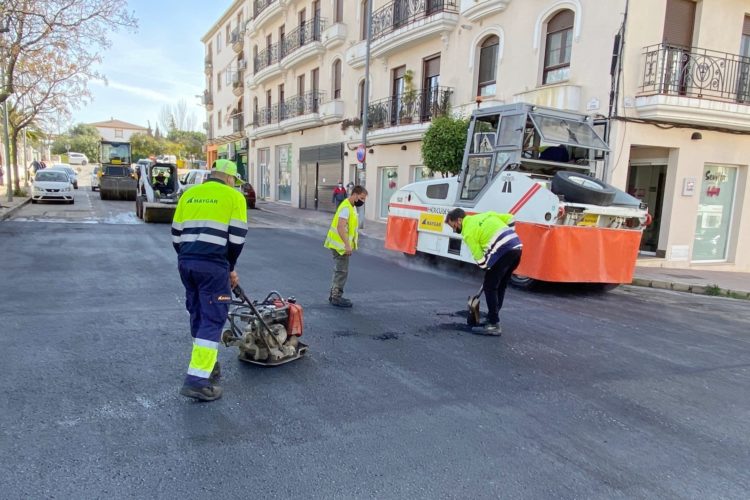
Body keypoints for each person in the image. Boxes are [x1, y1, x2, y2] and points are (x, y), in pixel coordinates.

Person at [171, 159, 248, 401]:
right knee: (213, 318)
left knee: (198, 313)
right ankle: (197, 380)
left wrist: (189, 258)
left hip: (186, 262)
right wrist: (229, 268)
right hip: (213, 266)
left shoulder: (189, 194)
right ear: (229, 178)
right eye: (234, 180)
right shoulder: (234, 197)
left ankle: (208, 364)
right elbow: (236, 239)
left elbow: (176, 234)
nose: (234, 184)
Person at [445, 208, 523, 336]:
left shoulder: (468, 232)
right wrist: (510, 237)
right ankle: (492, 317)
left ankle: (493, 324)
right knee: (500, 285)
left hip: (503, 252)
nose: (454, 229)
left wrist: (487, 268)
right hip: (517, 248)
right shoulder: (485, 215)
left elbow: (480, 258)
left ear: (459, 220)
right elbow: (510, 218)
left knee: (489, 286)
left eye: (453, 225)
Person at [324, 185, 368, 307]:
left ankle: (333, 295)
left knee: (339, 270)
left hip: (340, 244)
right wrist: (347, 245)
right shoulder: (346, 207)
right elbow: (340, 227)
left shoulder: (350, 206)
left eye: (364, 199)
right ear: (354, 194)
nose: (362, 201)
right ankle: (336, 298)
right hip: (340, 245)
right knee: (341, 271)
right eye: (362, 198)